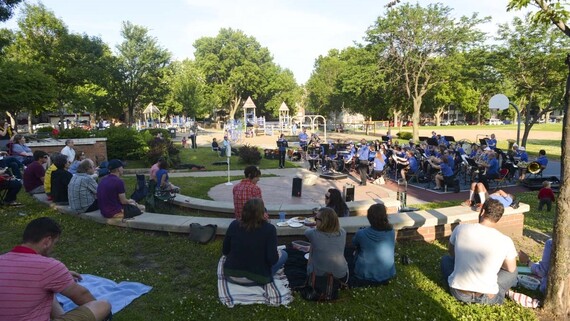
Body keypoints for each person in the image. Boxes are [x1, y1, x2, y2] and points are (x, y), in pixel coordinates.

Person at [0, 217, 111, 321]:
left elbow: (18, 278)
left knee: (48, 290)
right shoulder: (48, 266)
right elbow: (82, 295)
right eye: (55, 243)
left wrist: (63, 276)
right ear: (47, 241)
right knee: (102, 305)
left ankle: (61, 315)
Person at [441, 199, 518, 305]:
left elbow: (451, 252)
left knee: (446, 259)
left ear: (482, 212)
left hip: (459, 293)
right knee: (513, 272)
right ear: (498, 218)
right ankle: (496, 291)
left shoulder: (460, 228)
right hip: (487, 297)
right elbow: (511, 268)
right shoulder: (506, 240)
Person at [222, 198, 287, 285]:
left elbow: (225, 251)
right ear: (262, 213)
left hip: (231, 275)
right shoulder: (269, 229)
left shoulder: (234, 224)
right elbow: (272, 260)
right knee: (284, 254)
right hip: (257, 278)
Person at [351, 204, 395, 286]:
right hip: (387, 274)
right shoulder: (391, 231)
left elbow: (354, 243)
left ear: (369, 218)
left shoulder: (362, 233)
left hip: (364, 275)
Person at [305, 207, 348, 281]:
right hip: (342, 275)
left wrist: (316, 227)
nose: (315, 221)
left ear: (323, 222)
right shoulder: (343, 232)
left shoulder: (313, 234)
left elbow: (306, 231)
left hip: (318, 277)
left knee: (312, 244)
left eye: (316, 219)